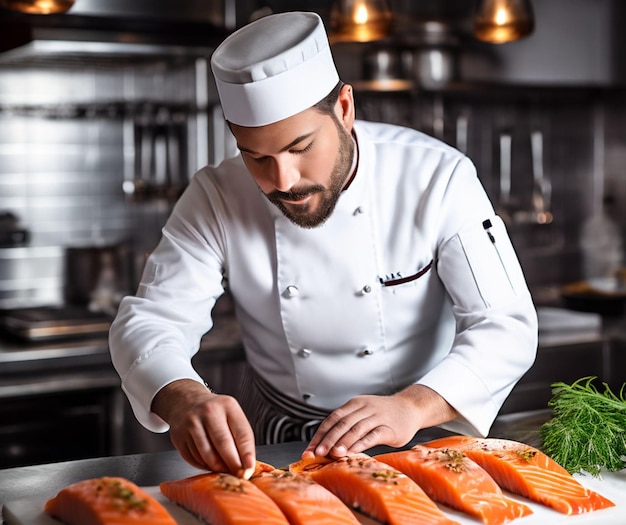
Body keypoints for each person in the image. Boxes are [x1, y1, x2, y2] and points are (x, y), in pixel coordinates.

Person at [109, 11, 538, 478]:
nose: (283, 181)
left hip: (420, 431)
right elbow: (152, 319)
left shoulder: (436, 177)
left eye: (299, 147)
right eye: (257, 157)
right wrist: (182, 394)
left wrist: (412, 407)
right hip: (277, 436)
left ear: (345, 109)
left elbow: (506, 326)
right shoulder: (216, 194)